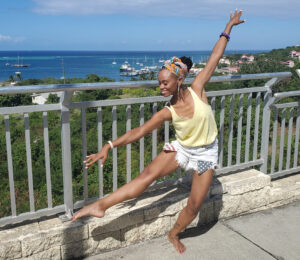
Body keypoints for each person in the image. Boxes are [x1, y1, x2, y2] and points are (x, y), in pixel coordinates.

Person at [73, 9, 245, 254]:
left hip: (206, 154)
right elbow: (138, 131)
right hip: (183, 149)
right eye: (159, 83)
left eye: (165, 82)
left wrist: (228, 28)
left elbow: (215, 56)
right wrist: (108, 146)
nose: (161, 87)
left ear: (179, 80)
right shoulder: (167, 111)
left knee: (195, 205)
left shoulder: (198, 89)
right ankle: (100, 206)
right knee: (145, 178)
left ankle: (174, 233)